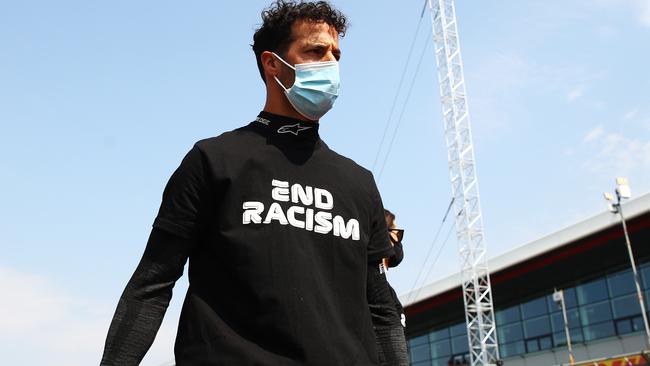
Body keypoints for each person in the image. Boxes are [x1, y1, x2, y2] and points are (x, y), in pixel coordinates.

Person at [100, 1, 407, 365]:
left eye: (336, 55)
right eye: (315, 51)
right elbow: (151, 285)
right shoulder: (214, 160)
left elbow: (382, 309)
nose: (331, 64)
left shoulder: (358, 183)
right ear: (272, 63)